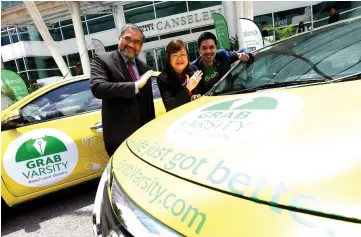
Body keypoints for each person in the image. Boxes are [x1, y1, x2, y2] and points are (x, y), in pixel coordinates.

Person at [90, 24, 155, 157]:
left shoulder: (145, 68)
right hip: (118, 140)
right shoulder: (102, 60)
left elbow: (148, 105)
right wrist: (135, 86)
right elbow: (98, 88)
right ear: (119, 38)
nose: (131, 44)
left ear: (141, 47)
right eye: (127, 39)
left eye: (137, 42)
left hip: (144, 137)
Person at [157, 40, 203, 112]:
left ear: (188, 56)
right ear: (168, 59)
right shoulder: (163, 78)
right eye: (175, 55)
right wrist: (188, 89)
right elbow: (170, 106)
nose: (179, 59)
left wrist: (197, 96)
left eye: (183, 55)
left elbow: (204, 93)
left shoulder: (195, 70)